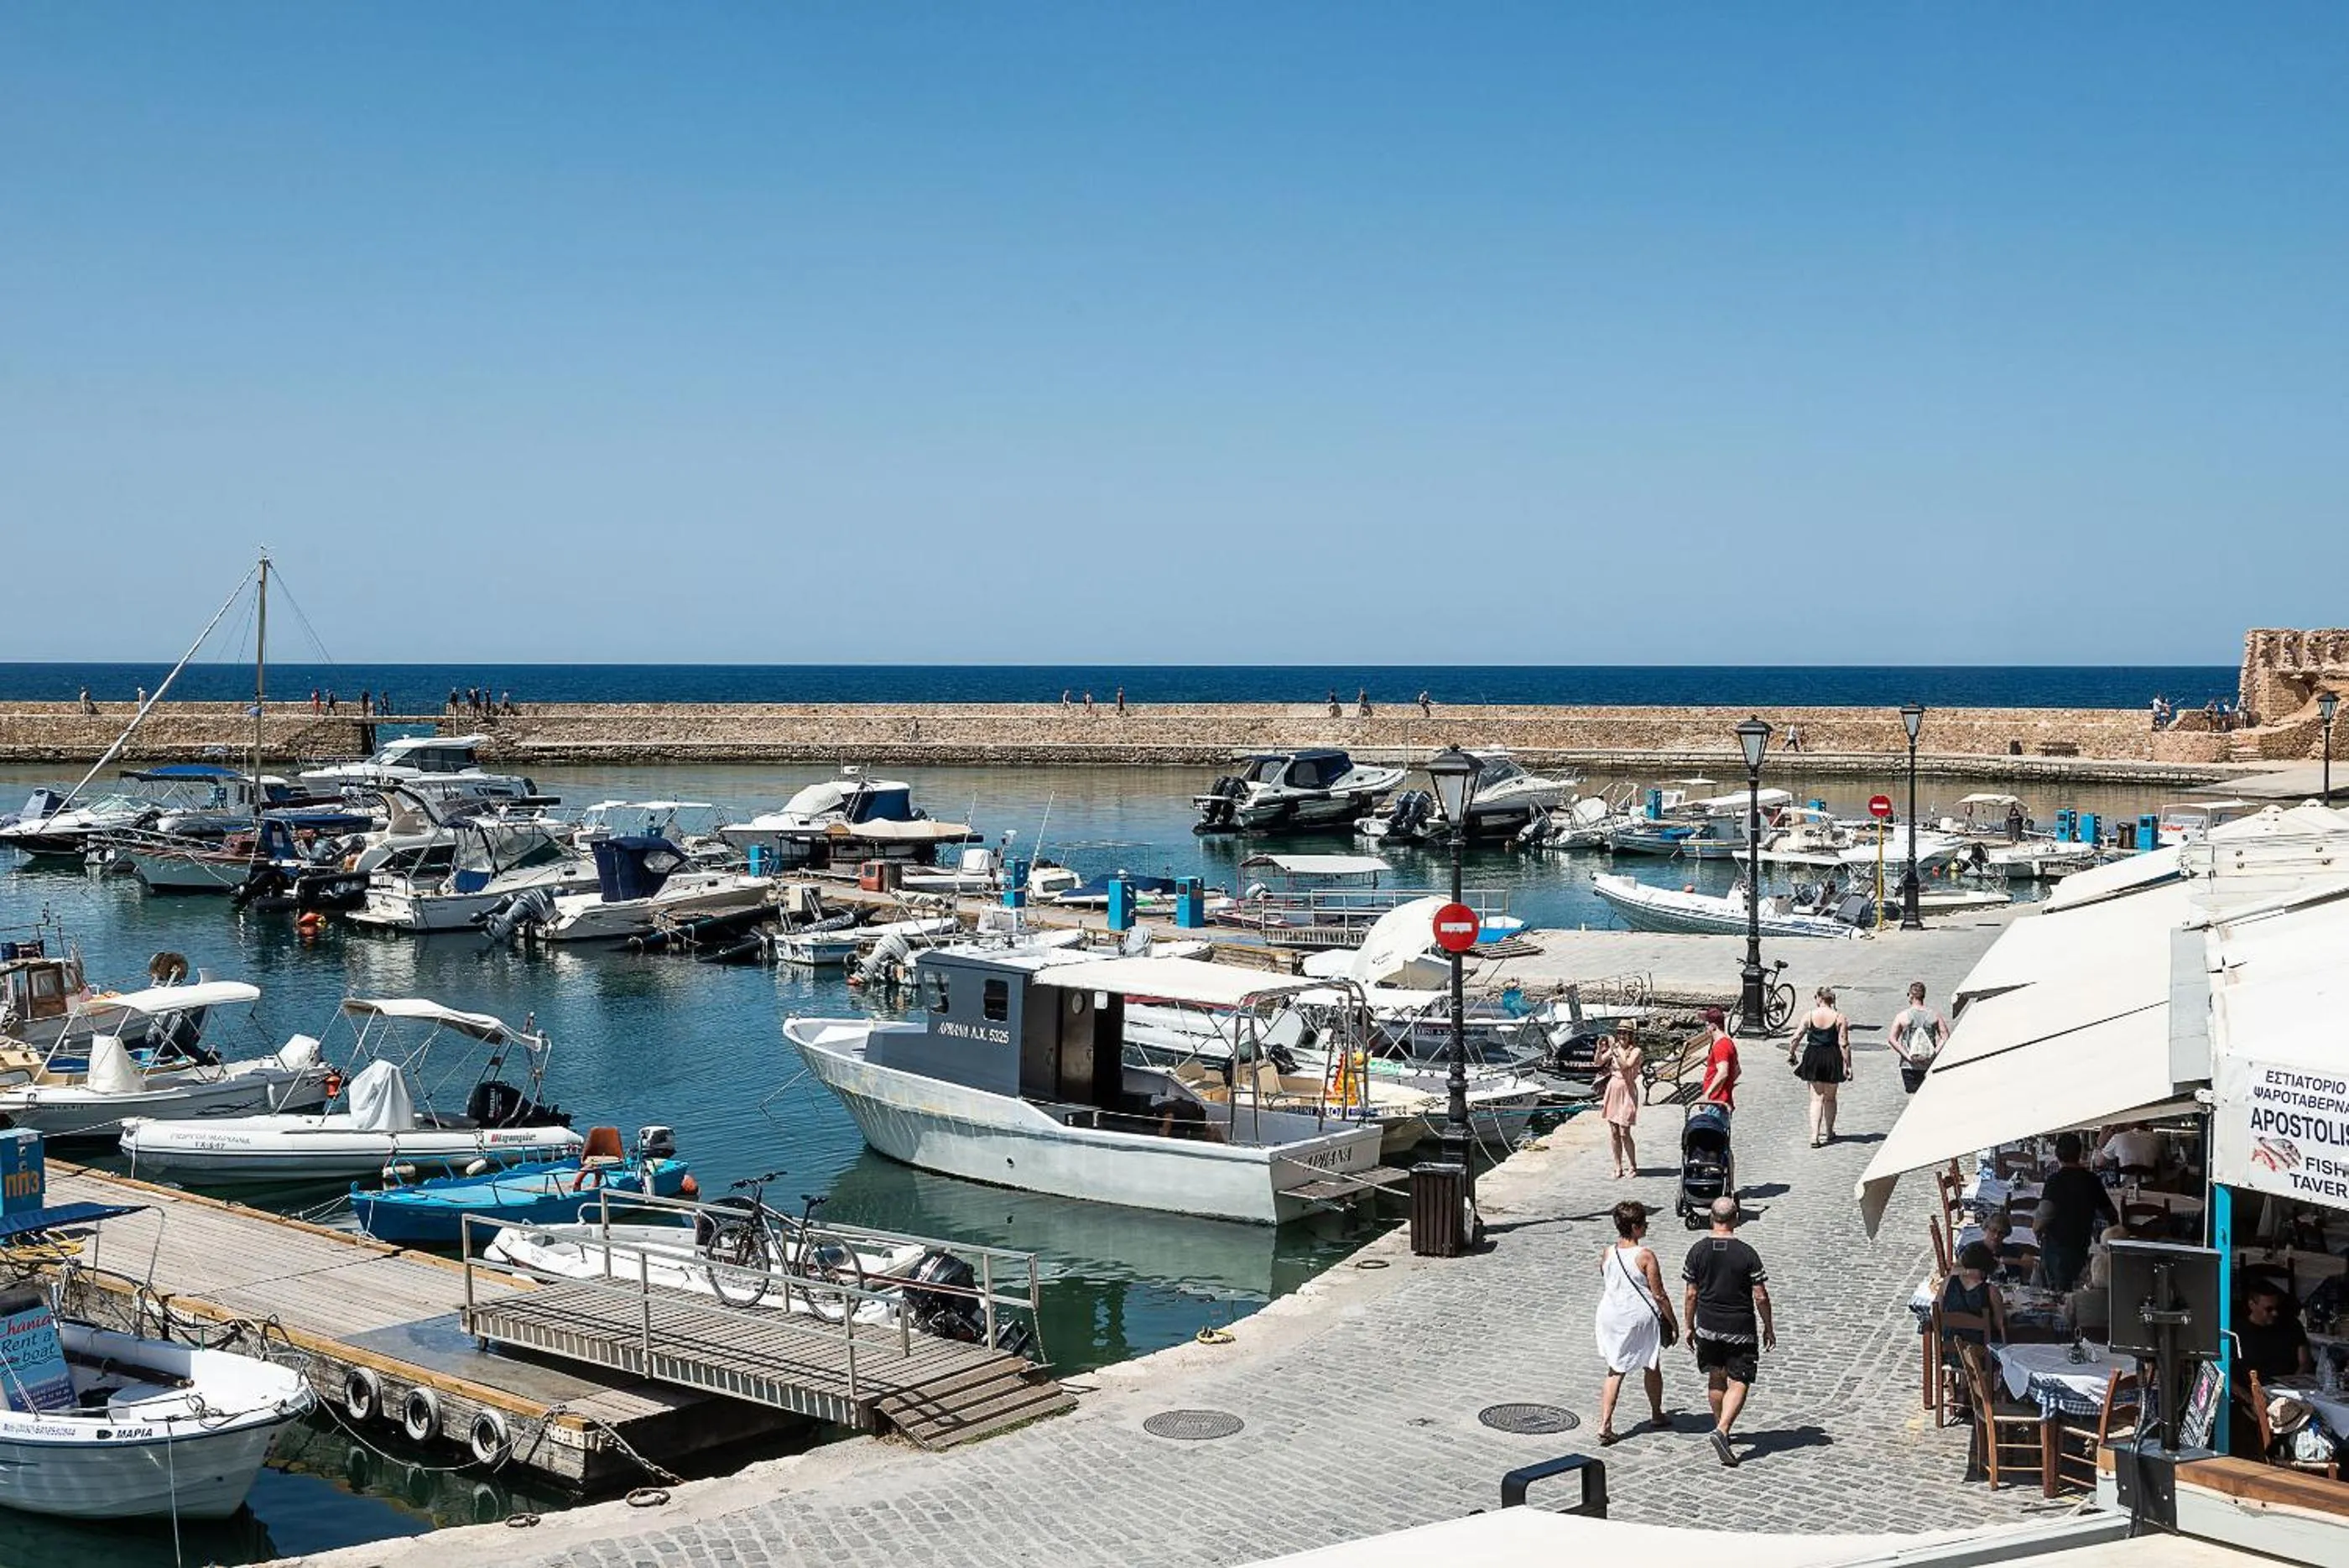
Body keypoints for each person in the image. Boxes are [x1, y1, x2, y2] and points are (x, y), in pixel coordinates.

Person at [1683, 1196, 1773, 1466]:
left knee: (1716, 1377)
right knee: (1739, 1379)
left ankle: (1722, 1427)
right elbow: (1760, 1296)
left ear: (1712, 1218)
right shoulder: (1747, 1253)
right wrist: (1769, 1326)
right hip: (1739, 1327)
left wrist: (1689, 1325)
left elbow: (1691, 1294)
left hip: (1707, 1326)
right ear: (1736, 1219)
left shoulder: (1697, 1250)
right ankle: (1722, 1430)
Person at [1594, 1201, 1675, 1446]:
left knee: (1615, 1368)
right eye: (1645, 1224)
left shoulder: (1608, 1252)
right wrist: (1673, 1321)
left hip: (1610, 1314)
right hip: (1637, 1316)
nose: (1647, 1227)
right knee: (1651, 1363)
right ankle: (1656, 1413)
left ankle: (1606, 1423)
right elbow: (1658, 1294)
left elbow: (1605, 1275)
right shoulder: (1645, 1256)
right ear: (1636, 1227)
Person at [2033, 1132, 2117, 1291]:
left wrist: (2037, 1229)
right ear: (2080, 1153)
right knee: (2075, 1284)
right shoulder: (2092, 1180)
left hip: (2057, 1244)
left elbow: (2045, 1212)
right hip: (2081, 1241)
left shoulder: (2055, 1181)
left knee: (2057, 1289)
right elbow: (2110, 1213)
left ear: (2057, 1154)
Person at [1789, 987, 1852, 1146]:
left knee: (1816, 1099)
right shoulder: (1839, 1017)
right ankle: (1829, 1131)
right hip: (1832, 1056)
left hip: (1813, 1056)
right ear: (1832, 1000)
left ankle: (1814, 1136)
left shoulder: (1809, 1015)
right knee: (1830, 1098)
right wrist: (1848, 1064)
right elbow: (1843, 1043)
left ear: (1818, 998)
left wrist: (1792, 1053)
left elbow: (1796, 1037)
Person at [1939, 1242, 2008, 1347]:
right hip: (1981, 1353)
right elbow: (2000, 1323)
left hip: (1951, 1347)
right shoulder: (1991, 1291)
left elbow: (1937, 1310)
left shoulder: (1948, 1282)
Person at [1596, 1030, 1643, 1179]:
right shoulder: (1615, 1048)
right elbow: (1598, 1062)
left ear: (1630, 1036)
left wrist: (1614, 1051)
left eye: (1625, 1034)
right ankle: (1618, 1166)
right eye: (1620, 1033)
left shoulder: (1636, 1051)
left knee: (1624, 1131)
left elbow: (1626, 1066)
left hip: (1627, 1090)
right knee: (1614, 1131)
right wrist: (1599, 1049)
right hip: (1613, 1088)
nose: (1622, 1037)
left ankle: (1633, 1165)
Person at [1888, 982, 1945, 1095]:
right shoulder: (1934, 1015)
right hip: (1928, 1064)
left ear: (1910, 995)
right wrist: (1933, 1054)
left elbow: (1892, 1039)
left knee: (1912, 1098)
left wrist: (1907, 1056)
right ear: (1923, 996)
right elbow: (1945, 1036)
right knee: (1928, 1097)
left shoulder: (1902, 1016)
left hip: (1909, 1065)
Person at [1696, 1007, 1739, 1112]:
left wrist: (1708, 1095)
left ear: (1713, 1026)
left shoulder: (1721, 1046)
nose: (1706, 1028)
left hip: (1716, 1103)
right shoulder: (1728, 1042)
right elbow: (1737, 1071)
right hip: (1722, 1102)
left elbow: (1723, 1073)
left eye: (1706, 1025)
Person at [2096, 1123, 2164, 1179]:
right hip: (2153, 1185)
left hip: (2122, 1185)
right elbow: (2167, 1163)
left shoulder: (2118, 1138)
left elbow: (2099, 1162)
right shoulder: (2157, 1138)